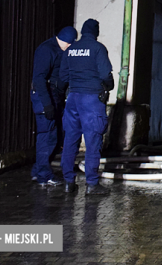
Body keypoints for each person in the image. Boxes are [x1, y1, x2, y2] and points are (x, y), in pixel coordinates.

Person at [60, 19, 114, 195]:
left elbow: (63, 76)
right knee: (92, 141)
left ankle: (68, 181)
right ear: (95, 32)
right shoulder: (98, 48)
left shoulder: (70, 50)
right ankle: (92, 184)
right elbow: (106, 74)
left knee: (70, 139)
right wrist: (108, 85)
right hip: (91, 99)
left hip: (73, 98)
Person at [30, 25, 77, 186]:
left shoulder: (57, 48)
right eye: (68, 44)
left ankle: (38, 171)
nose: (69, 48)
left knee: (52, 136)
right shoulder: (46, 50)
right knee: (47, 136)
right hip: (45, 97)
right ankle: (43, 175)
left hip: (52, 96)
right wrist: (47, 104)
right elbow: (39, 79)